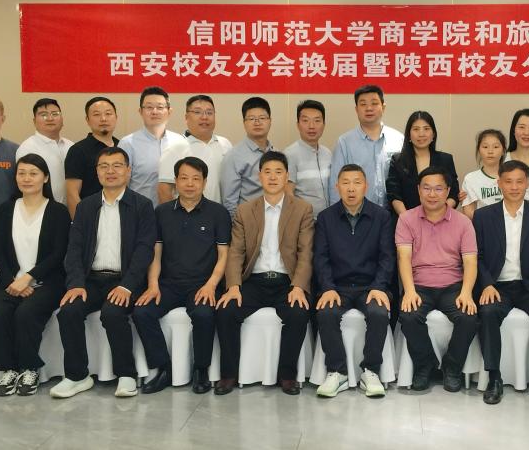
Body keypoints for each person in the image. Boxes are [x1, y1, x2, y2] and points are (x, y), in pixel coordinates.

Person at [50, 147, 156, 399]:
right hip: (91, 279)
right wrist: (76, 283)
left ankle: (126, 374)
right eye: (104, 166)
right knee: (69, 312)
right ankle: (77, 376)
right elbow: (74, 249)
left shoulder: (142, 205)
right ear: (97, 172)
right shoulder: (86, 207)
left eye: (117, 166)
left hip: (125, 280)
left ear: (128, 171)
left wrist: (127, 286)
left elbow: (144, 250)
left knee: (113, 312)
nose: (110, 171)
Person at [214, 151, 314, 396]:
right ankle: (228, 374)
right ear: (259, 176)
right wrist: (233, 286)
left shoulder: (302, 209)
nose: (272, 177)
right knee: (226, 310)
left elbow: (306, 252)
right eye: (267, 172)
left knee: (299, 313)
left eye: (278, 172)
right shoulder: (245, 210)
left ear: (287, 176)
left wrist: (298, 286)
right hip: (254, 281)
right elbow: (236, 252)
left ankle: (287, 375)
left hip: (287, 282)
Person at [135, 157, 230, 395]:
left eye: (196, 179)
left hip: (202, 283)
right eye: (184, 178)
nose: (190, 184)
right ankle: (163, 369)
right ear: (176, 181)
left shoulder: (218, 213)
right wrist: (153, 285)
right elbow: (156, 253)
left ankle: (201, 369)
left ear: (205, 182)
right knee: (142, 312)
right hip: (168, 284)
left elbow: (224, 255)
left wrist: (211, 285)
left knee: (204, 314)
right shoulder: (162, 212)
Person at [473, 160, 529, 405]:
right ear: (499, 183)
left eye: (519, 181)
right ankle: (494, 378)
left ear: (527, 183)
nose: (514, 187)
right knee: (488, 312)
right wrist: (486, 284)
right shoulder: (483, 216)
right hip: (496, 285)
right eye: (508, 181)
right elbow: (477, 257)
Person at [0, 154, 71, 396]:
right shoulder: (6, 209)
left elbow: (58, 253)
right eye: (21, 173)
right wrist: (14, 280)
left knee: (26, 313)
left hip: (47, 282)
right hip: (10, 281)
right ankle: (8, 369)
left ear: (45, 178)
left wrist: (28, 277)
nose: (27, 178)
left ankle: (30, 368)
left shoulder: (58, 211)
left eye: (33, 173)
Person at [313, 164, 395, 398]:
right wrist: (328, 288)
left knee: (379, 313)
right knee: (326, 313)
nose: (351, 188)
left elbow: (387, 257)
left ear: (366, 186)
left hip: (370, 286)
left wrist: (379, 286)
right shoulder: (326, 218)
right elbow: (320, 257)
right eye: (346, 183)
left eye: (357, 183)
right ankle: (337, 372)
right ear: (337, 187)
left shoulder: (381, 216)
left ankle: (371, 371)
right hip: (337, 287)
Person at [396, 166, 478, 392]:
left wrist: (466, 293)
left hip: (452, 285)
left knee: (468, 317)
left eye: (438, 188)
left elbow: (470, 261)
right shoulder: (406, 219)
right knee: (409, 316)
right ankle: (425, 366)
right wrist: (409, 291)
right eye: (427, 188)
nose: (432, 194)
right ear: (418, 190)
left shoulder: (463, 222)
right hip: (419, 284)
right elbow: (404, 258)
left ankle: (452, 368)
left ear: (448, 191)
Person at [328, 84, 404, 208]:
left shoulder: (398, 139)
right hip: (358, 212)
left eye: (374, 103)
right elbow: (336, 183)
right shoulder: (345, 142)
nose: (369, 108)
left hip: (394, 212)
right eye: (363, 104)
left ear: (383, 107)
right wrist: (337, 215)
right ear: (356, 109)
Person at [157, 94, 232, 204]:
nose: (204, 117)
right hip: (186, 212)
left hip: (220, 212)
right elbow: (164, 190)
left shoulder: (225, 144)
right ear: (186, 117)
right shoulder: (174, 147)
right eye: (197, 112)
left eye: (209, 112)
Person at [119, 86, 185, 206]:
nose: (154, 111)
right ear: (140, 111)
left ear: (169, 111)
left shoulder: (180, 142)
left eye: (160, 107)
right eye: (149, 107)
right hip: (139, 212)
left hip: (176, 212)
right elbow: (120, 185)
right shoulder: (127, 143)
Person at [387, 111, 460, 216]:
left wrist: (439, 214)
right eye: (416, 129)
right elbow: (394, 194)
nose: (421, 134)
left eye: (426, 129)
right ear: (409, 135)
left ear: (433, 134)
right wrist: (408, 219)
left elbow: (453, 192)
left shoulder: (445, 159)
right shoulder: (398, 161)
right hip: (407, 220)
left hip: (440, 220)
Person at [220, 97, 275, 217]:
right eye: (251, 118)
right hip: (248, 220)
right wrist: (238, 225)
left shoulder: (275, 153)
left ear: (270, 121)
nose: (257, 122)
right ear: (244, 123)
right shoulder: (234, 156)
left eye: (262, 118)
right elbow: (229, 202)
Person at [65, 96, 119, 218]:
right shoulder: (78, 150)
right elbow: (72, 194)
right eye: (96, 114)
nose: (103, 118)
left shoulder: (123, 146)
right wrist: (81, 224)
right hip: (91, 218)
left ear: (116, 117)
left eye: (108, 114)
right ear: (87, 120)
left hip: (121, 217)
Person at [16, 98, 72, 203]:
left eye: (55, 114)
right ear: (34, 121)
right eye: (43, 115)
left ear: (62, 119)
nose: (50, 118)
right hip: (42, 208)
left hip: (72, 208)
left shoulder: (71, 146)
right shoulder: (28, 148)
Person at [284, 100, 332, 218]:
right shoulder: (289, 154)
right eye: (305, 121)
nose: (311, 126)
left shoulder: (328, 153)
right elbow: (288, 193)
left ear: (324, 124)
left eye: (317, 120)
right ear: (298, 125)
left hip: (328, 220)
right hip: (305, 221)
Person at [460, 129, 506, 219]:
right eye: (485, 147)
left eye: (496, 147)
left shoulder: (513, 176)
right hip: (483, 226)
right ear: (479, 150)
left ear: (503, 151)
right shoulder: (471, 178)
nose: (490, 151)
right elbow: (469, 213)